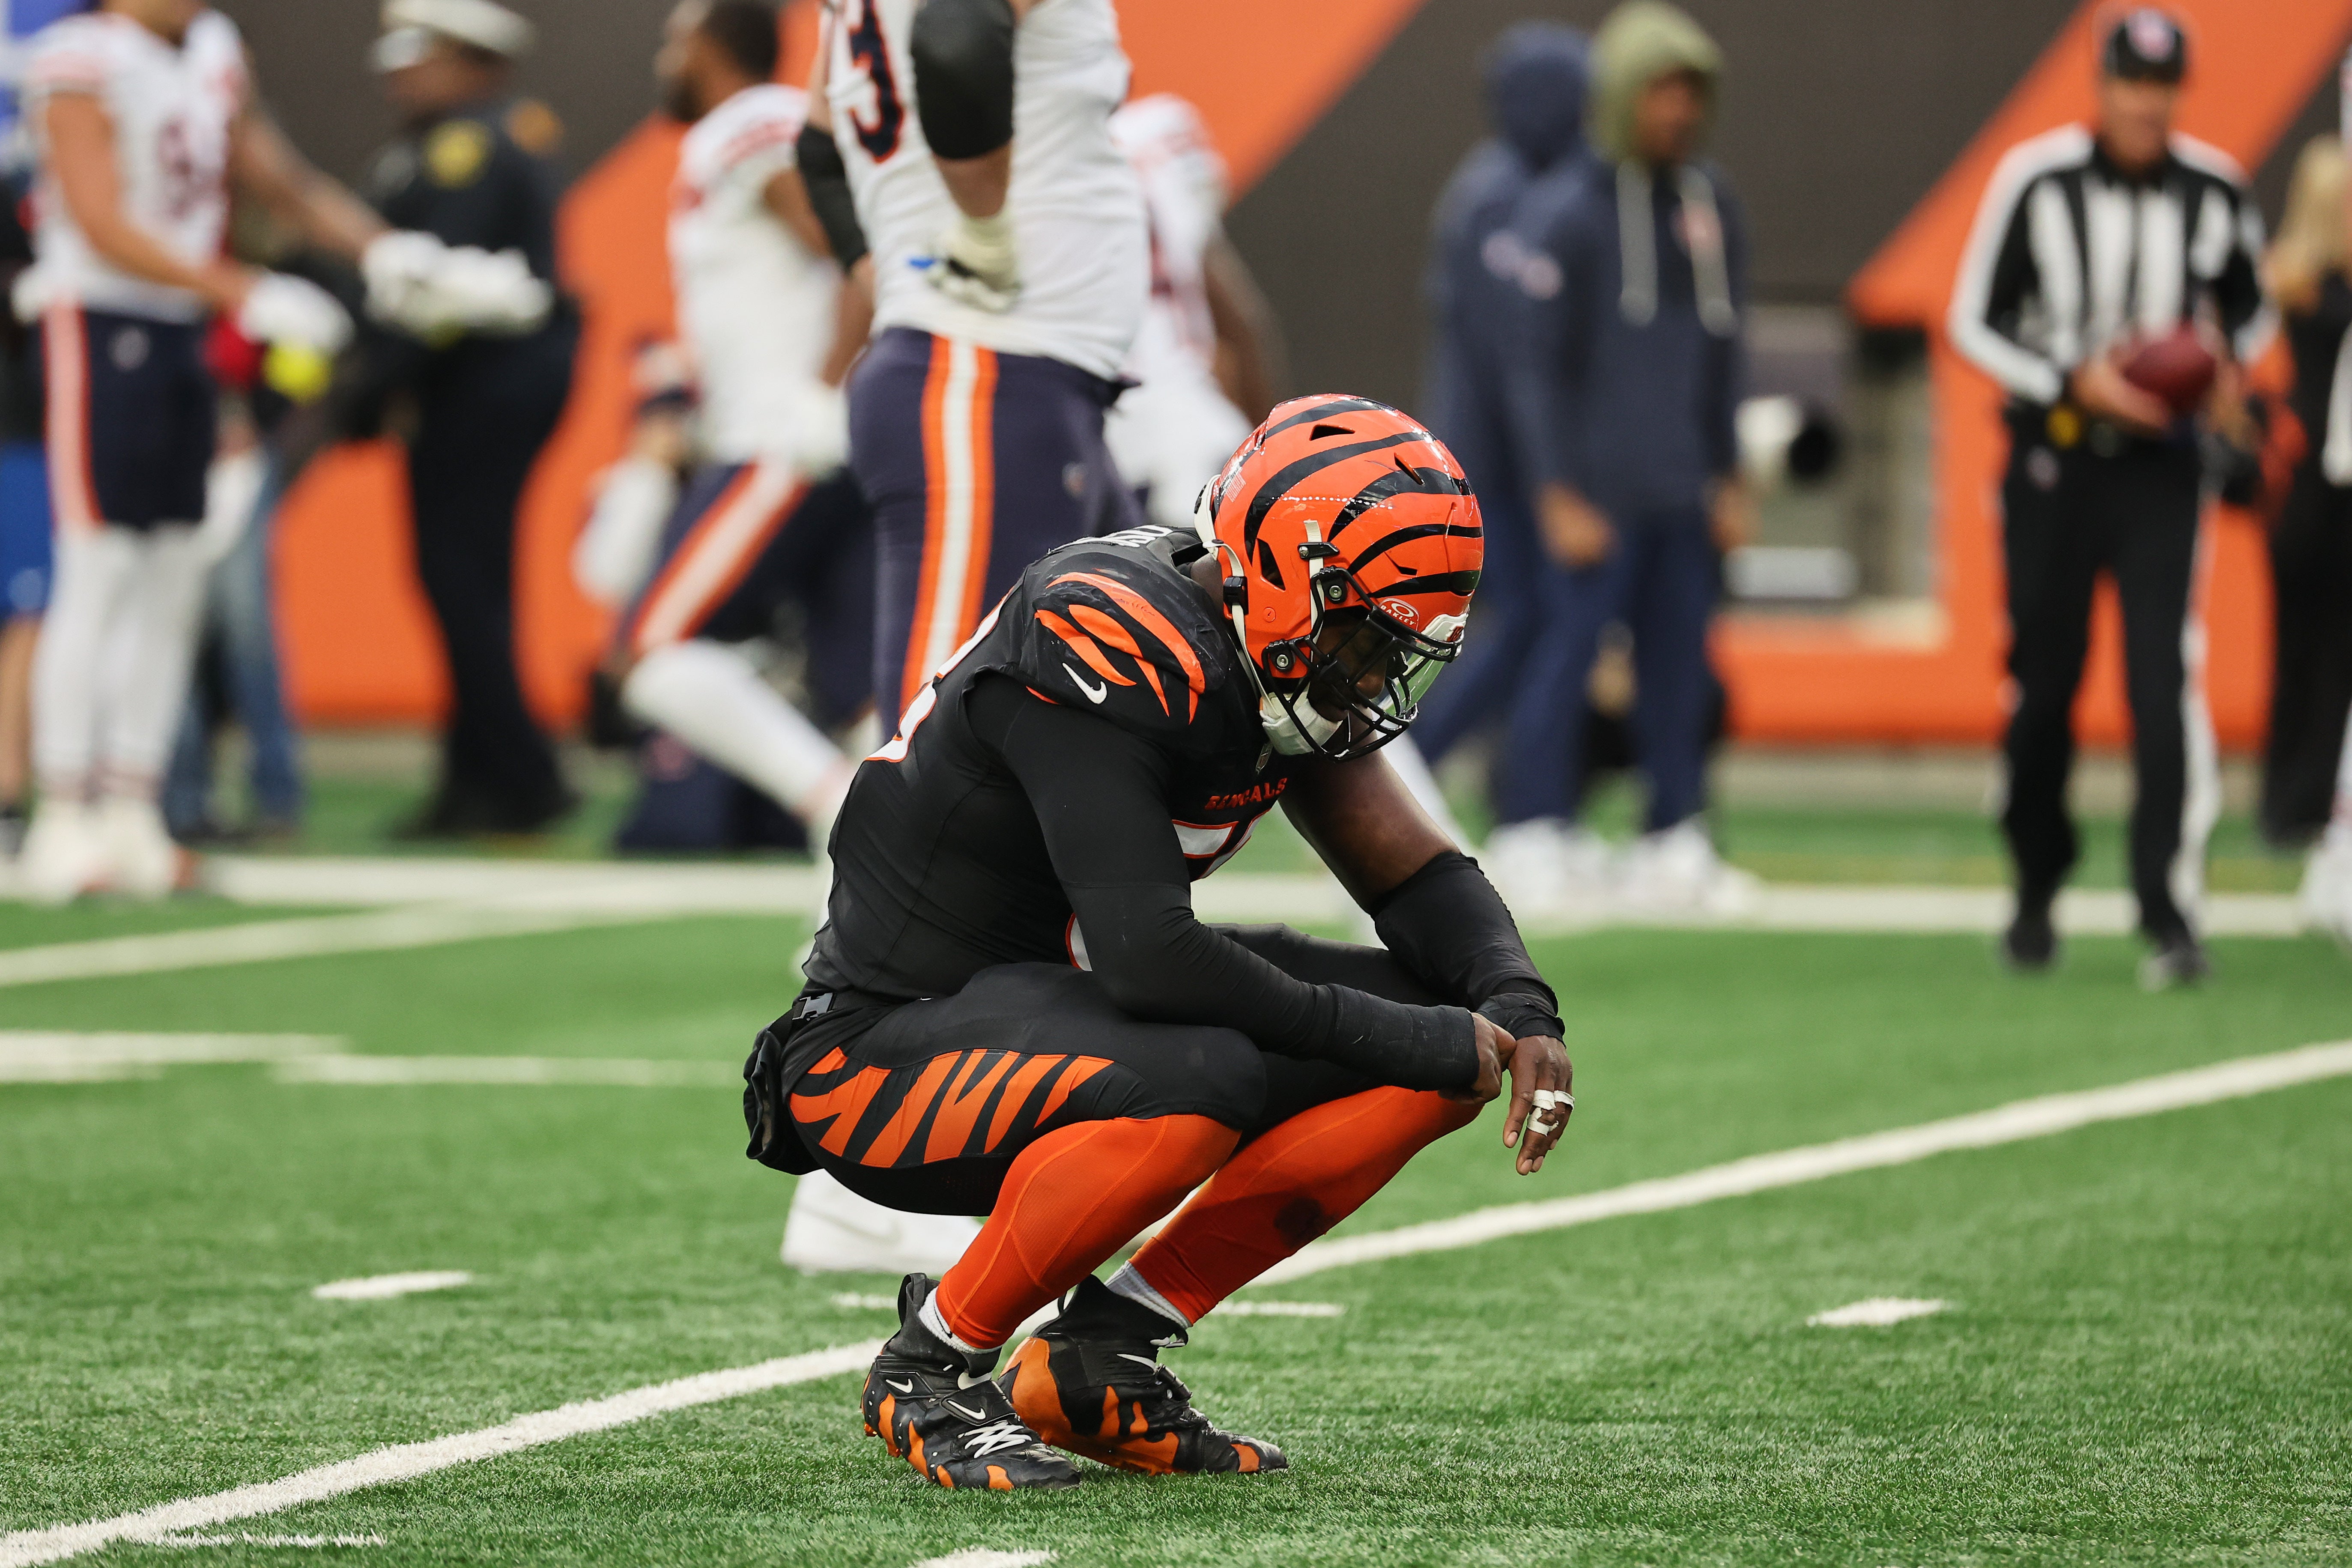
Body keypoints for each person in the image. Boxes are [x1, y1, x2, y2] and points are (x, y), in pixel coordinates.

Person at [740, 397, 1573, 1488]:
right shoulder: (1107, 634)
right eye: (1366, 639)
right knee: (1222, 1070)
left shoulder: (1266, 650)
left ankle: (1101, 1355)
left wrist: (1519, 1004)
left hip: (1065, 1018)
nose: (1373, 679)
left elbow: (1412, 873)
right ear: (1291, 583)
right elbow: (1150, 957)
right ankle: (929, 1365)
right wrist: (1412, 1039)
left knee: (1438, 1035)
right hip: (874, 1056)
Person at [12, 0, 417, 900]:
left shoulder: (213, 48)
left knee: (174, 577)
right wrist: (243, 289)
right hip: (99, 320)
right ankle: (65, 817)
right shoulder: (78, 57)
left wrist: (391, 253)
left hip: (182, 327)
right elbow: (99, 218)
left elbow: (277, 176)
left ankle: (133, 812)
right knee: (100, 569)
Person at [1948, 6, 2271, 987]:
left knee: (2161, 681)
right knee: (2043, 684)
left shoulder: (2213, 189)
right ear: (2102, 84)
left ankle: (2169, 908)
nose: (2146, 103)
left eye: (2162, 86)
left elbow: (2248, 313)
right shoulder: (2037, 179)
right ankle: (2035, 885)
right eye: (2132, 82)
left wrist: (2216, 367)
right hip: (2055, 458)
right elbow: (1973, 318)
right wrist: (2068, 381)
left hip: (2161, 469)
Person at [807, 0, 1148, 724]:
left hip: (1023, 378)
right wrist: (983, 230)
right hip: (986, 375)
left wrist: (896, 277)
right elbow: (955, 37)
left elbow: (818, 147)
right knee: (938, 744)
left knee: (1143, 722)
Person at [1492, 0, 1755, 914]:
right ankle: (1530, 828)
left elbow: (1726, 353)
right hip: (1595, 495)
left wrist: (1729, 471)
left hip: (1682, 488)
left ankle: (1672, 838)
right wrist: (1555, 490)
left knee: (1681, 672)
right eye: (1660, 91)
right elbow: (1532, 371)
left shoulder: (1712, 207)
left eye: (1691, 92)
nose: (1678, 110)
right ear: (1618, 96)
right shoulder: (1566, 211)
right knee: (1563, 660)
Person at [359, 0, 577, 839]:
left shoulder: (469, 149)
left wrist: (367, 390)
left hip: (483, 386)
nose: (400, 76)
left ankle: (523, 774)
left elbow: (435, 290)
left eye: (421, 57)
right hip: (474, 387)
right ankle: (477, 776)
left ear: (471, 60)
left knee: (460, 578)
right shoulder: (447, 144)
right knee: (469, 581)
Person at [1389, 22, 1588, 845]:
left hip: (1504, 457)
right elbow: (1512, 355)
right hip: (1492, 462)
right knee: (1521, 624)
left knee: (1529, 626)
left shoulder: (1503, 185)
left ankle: (1509, 796)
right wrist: (1553, 472)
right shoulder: (1497, 198)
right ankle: (1413, 772)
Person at [1100, 91, 1281, 529]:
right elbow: (1238, 323)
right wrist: (1276, 451)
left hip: (1093, 445)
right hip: (1189, 433)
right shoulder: (1158, 139)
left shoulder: (1028, 164)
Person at [2257, 134, 2352, 850]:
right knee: (2312, 648)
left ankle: (2303, 799)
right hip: (2318, 482)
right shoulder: (2308, 283)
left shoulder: (2301, 279)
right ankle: (2297, 801)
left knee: (2318, 650)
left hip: (2318, 480)